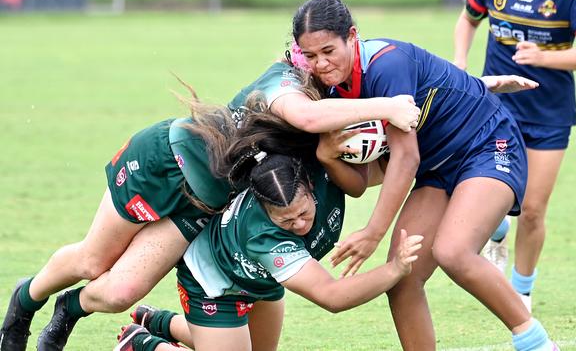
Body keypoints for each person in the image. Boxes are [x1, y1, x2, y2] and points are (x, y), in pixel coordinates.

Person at [0, 60, 420, 351]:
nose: (322, 63)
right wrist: (388, 106)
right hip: (165, 162)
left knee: (120, 292)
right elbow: (312, 117)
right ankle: (25, 302)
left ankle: (70, 308)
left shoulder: (317, 144)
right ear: (297, 55)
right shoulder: (287, 90)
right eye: (312, 54)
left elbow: (373, 170)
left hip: (205, 204)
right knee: (93, 262)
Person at [292, 0, 558, 351]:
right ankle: (484, 216)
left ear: (352, 36)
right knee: (402, 275)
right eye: (310, 56)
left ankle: (537, 343)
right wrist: (329, 157)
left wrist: (374, 231)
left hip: (486, 142)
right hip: (438, 167)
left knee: (453, 251)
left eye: (328, 50)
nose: (321, 64)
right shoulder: (329, 89)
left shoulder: (386, 66)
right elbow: (361, 183)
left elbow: (406, 158)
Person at [112, 111, 424, 351]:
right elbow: (332, 297)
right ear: (264, 208)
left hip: (261, 281)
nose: (299, 225)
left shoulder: (320, 170)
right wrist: (394, 270)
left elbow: (382, 166)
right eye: (286, 221)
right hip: (214, 286)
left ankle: (160, 322)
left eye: (303, 213)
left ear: (311, 185)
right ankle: (145, 343)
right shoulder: (265, 237)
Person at [454, 0, 576, 310]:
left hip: (549, 115)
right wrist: (460, 63)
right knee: (483, 190)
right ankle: (497, 228)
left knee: (533, 210)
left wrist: (543, 57)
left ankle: (521, 291)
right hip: (498, 105)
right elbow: (468, 20)